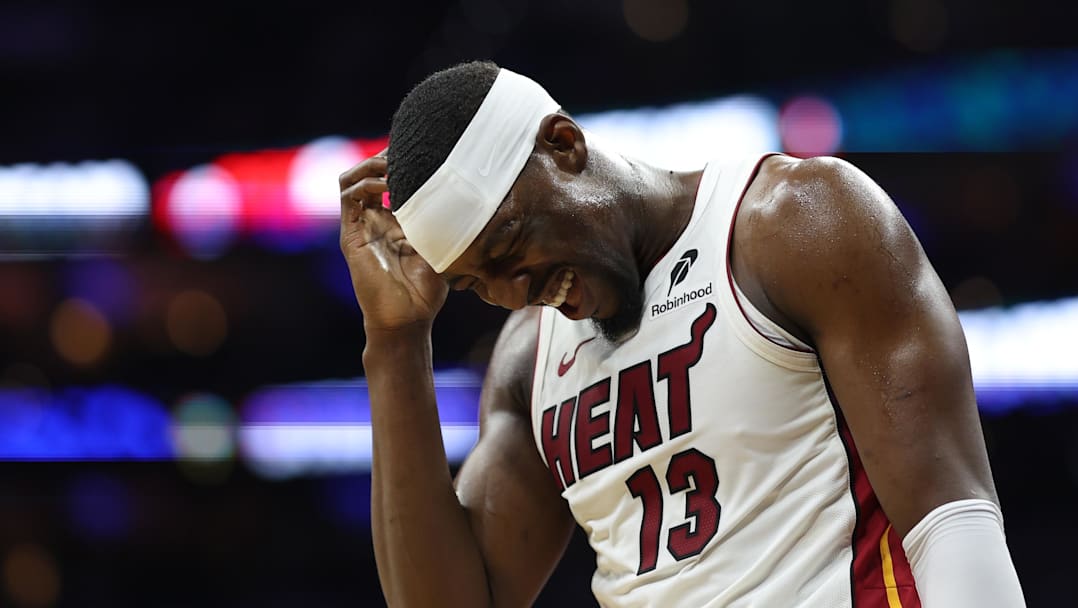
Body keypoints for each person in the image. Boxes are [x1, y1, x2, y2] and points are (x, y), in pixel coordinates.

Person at [338, 60, 1026, 607]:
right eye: (476, 284)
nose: (517, 291)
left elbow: (952, 519)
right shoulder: (528, 362)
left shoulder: (795, 225)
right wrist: (395, 345)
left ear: (564, 145)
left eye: (511, 241)